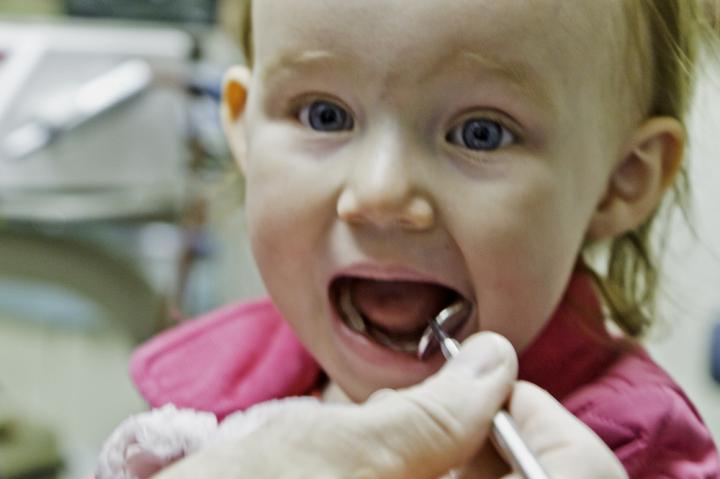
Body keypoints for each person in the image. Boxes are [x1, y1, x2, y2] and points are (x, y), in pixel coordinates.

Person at [97, 0, 720, 477]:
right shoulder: (201, 401)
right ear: (245, 128)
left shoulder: (639, 448)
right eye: (326, 116)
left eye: (481, 133)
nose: (379, 193)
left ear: (622, 180)